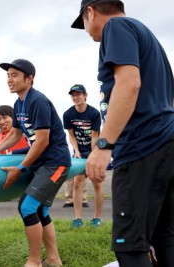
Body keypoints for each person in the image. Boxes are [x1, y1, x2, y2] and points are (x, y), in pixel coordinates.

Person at [72, 1, 174, 266]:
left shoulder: (116, 27)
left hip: (142, 147)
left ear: (90, 12)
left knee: (129, 245)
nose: (86, 30)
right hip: (165, 142)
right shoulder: (146, 34)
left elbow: (129, 84)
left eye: (82, 22)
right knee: (165, 239)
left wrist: (104, 145)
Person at [0, 59, 71, 267]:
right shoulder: (18, 104)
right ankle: (53, 259)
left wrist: (21, 168)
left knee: (27, 207)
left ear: (29, 78)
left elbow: (42, 140)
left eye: (14, 75)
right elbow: (16, 135)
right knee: (40, 210)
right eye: (8, 75)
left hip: (55, 163)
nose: (9, 80)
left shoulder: (38, 101)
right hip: (43, 163)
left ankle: (34, 261)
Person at [63, 84, 102, 228]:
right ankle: (78, 219)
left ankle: (97, 218)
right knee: (78, 183)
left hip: (93, 149)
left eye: (78, 94)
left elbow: (95, 136)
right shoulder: (68, 114)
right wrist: (76, 151)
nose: (76, 97)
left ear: (85, 95)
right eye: (73, 95)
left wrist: (92, 156)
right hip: (78, 151)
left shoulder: (94, 113)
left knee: (96, 183)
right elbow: (71, 135)